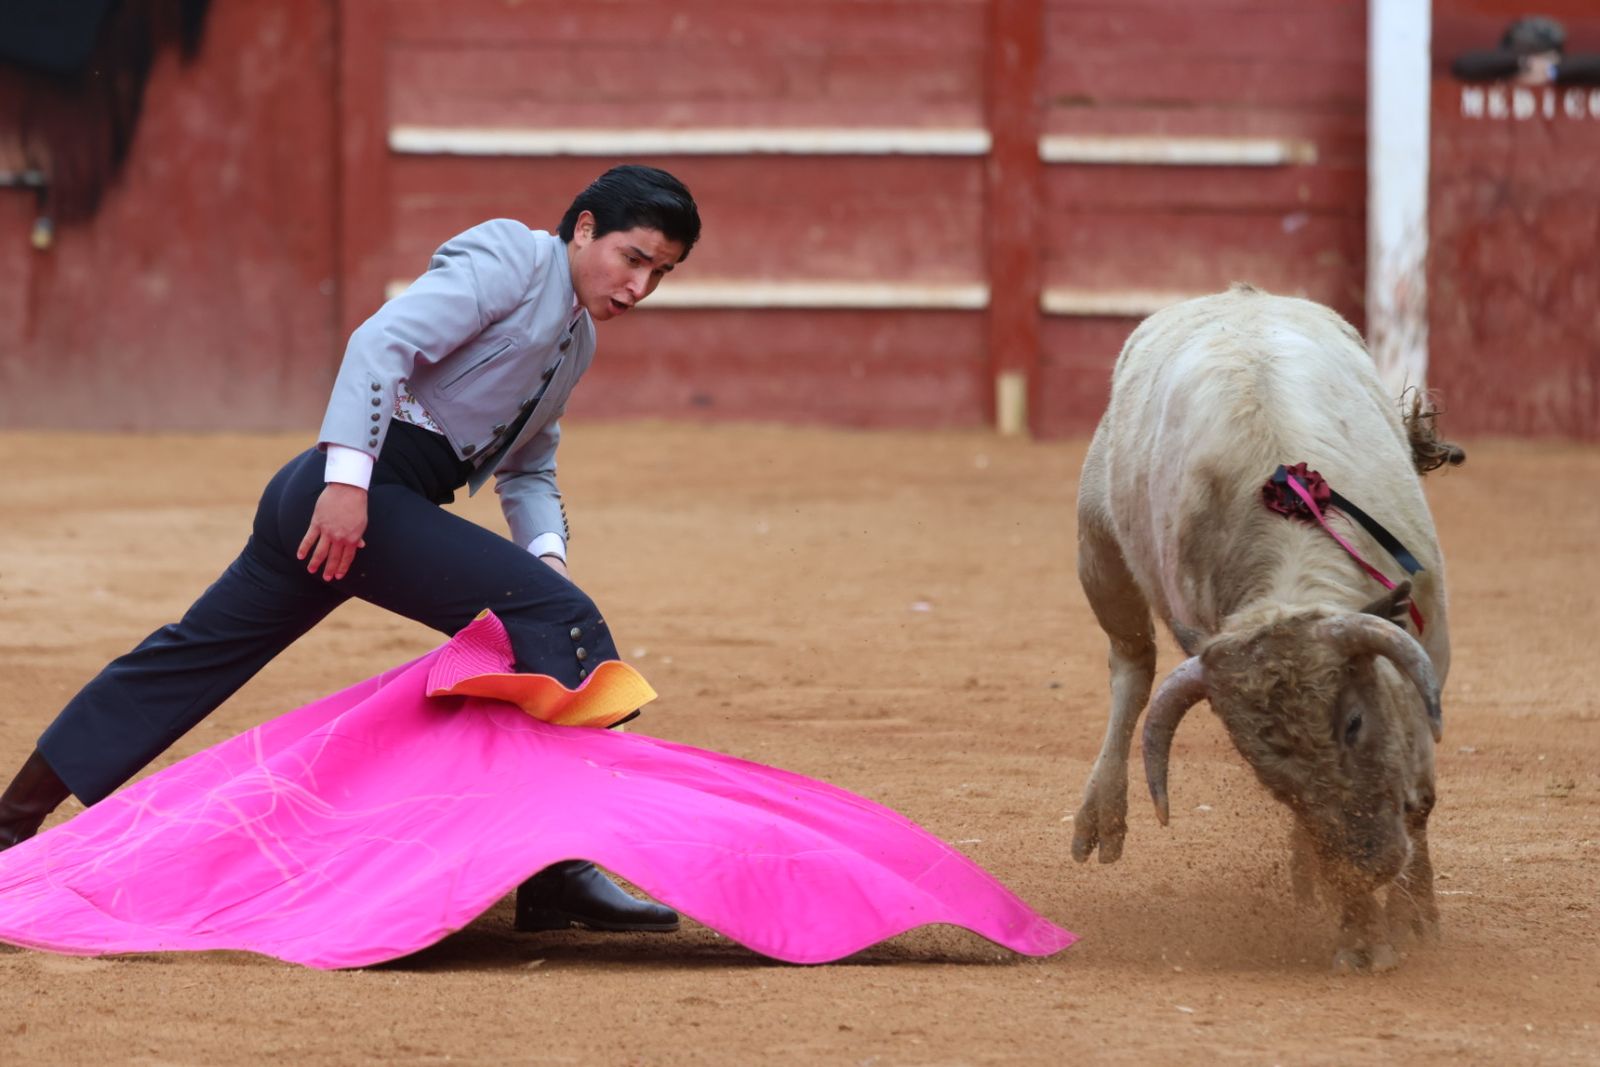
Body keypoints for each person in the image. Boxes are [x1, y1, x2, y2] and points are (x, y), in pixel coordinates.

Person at [0, 163, 701, 934]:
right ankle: (559, 872)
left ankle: (8, 822)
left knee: (191, 655)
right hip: (358, 492)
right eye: (633, 258)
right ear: (586, 228)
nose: (640, 286)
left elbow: (529, 466)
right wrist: (349, 482)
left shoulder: (577, 341)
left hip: (343, 496)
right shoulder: (513, 256)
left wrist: (547, 559)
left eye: (660, 273)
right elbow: (381, 341)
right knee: (562, 625)